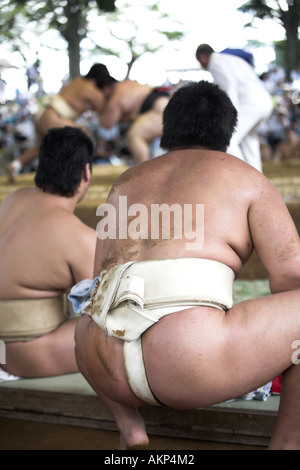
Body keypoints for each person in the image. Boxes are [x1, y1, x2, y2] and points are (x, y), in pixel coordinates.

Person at [71, 81, 300, 450]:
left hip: (99, 362)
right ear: (228, 132)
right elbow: (291, 277)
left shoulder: (125, 182)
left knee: (98, 305)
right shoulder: (246, 179)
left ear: (166, 128)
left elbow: (97, 282)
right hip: (187, 364)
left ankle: (130, 427)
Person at [0, 126, 97, 381]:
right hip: (21, 355)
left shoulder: (12, 199)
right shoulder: (80, 238)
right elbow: (103, 314)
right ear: (86, 172)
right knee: (115, 332)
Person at [6, 64, 105, 181]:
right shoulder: (93, 90)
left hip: (43, 114)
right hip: (53, 116)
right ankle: (72, 175)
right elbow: (104, 111)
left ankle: (15, 165)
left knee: (43, 147)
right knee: (85, 137)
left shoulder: (78, 81)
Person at [196, 44, 273, 172]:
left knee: (227, 140)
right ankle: (255, 178)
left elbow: (230, 86)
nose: (201, 65)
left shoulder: (215, 63)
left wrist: (229, 114)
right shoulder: (229, 59)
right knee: (249, 140)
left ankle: (241, 177)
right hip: (264, 100)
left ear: (202, 57)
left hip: (251, 102)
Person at [90, 64, 170, 163]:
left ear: (106, 90)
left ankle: (144, 175)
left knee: (135, 136)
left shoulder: (115, 98)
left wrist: (97, 115)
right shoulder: (126, 85)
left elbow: (107, 123)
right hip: (163, 104)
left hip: (158, 108)